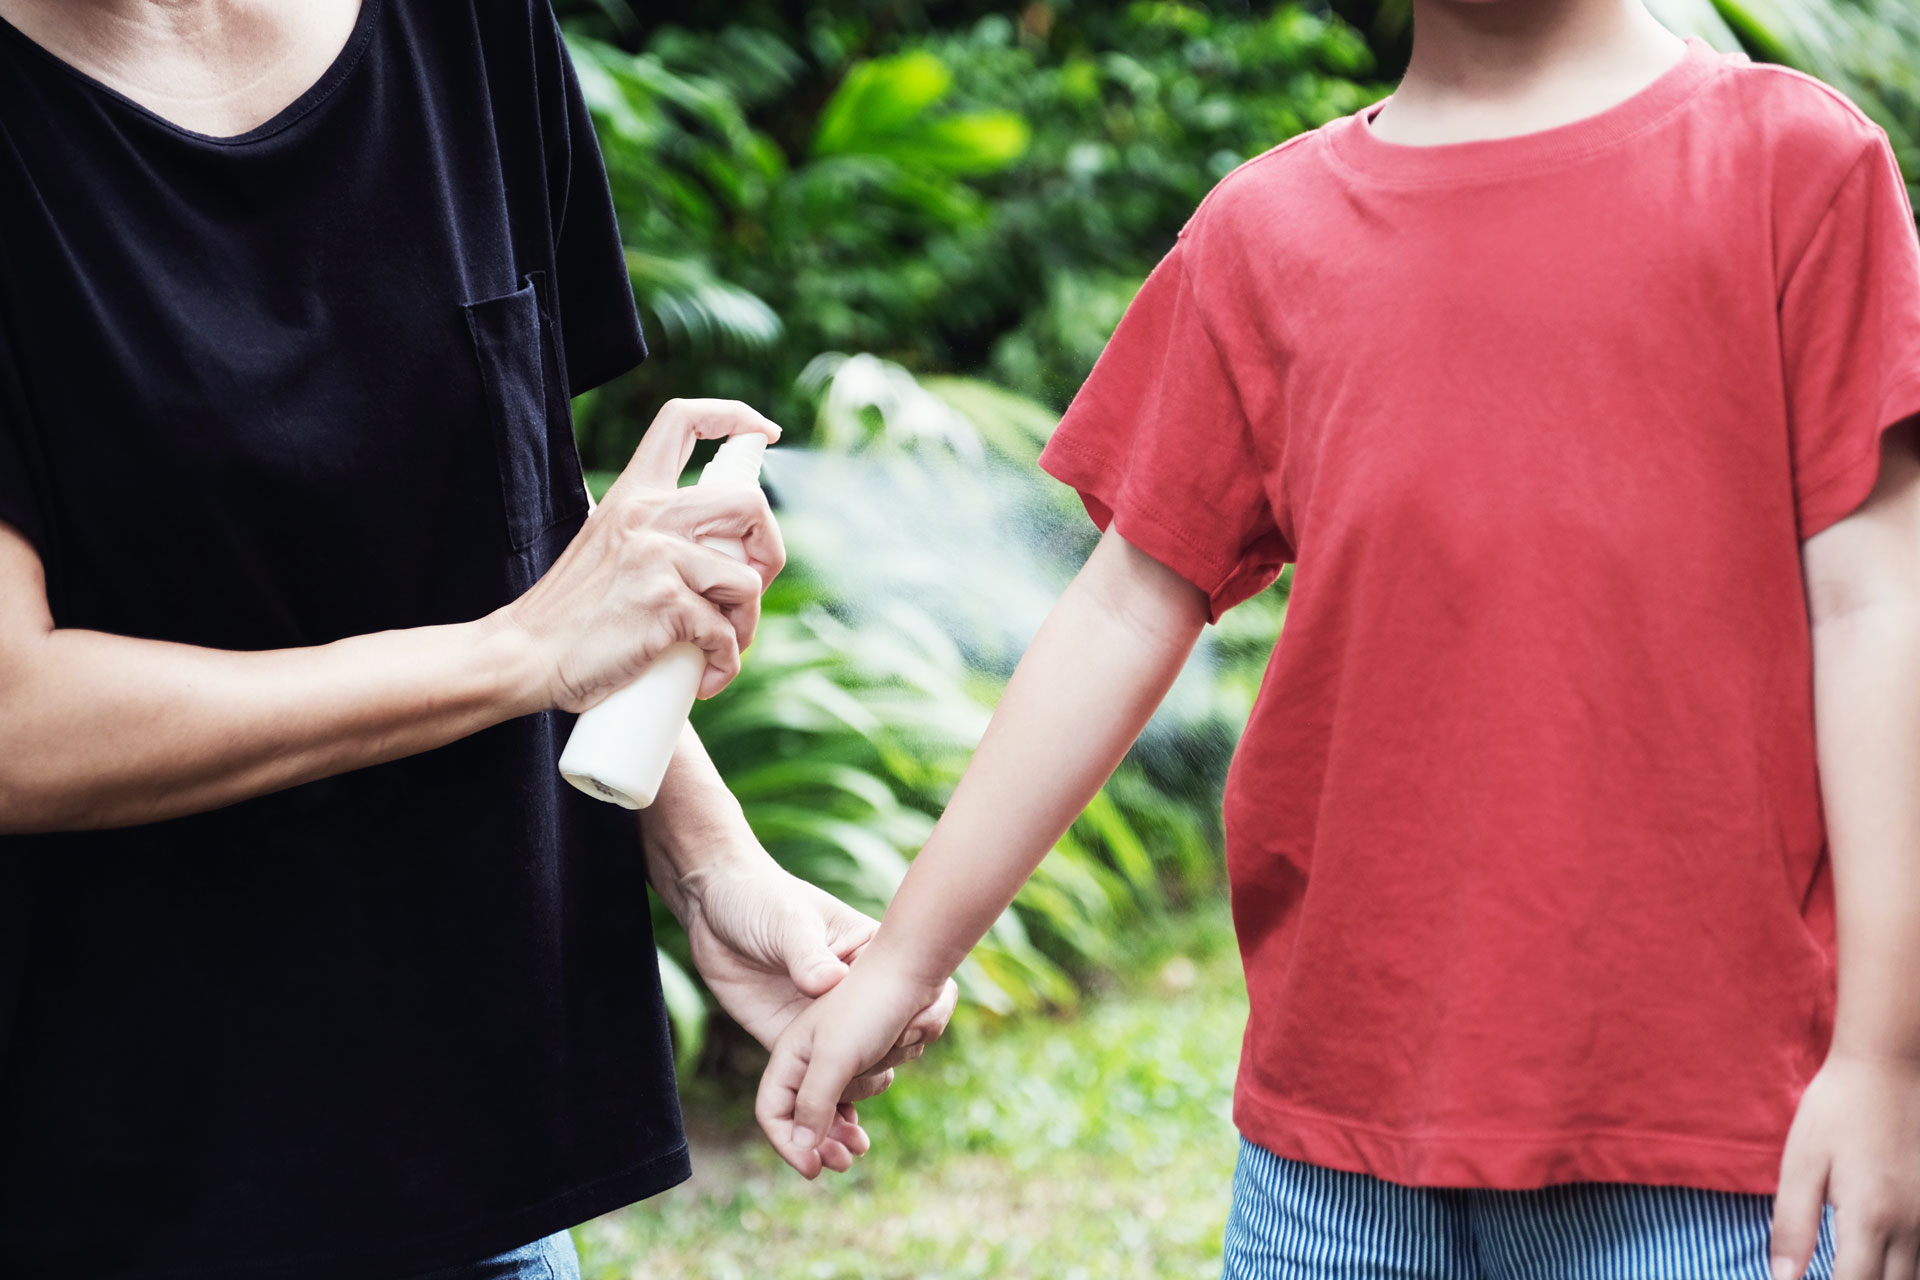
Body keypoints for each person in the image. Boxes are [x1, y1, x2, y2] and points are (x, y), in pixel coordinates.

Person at [756, 2, 1920, 1278]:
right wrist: (905, 957)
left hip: (1712, 1154)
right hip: (1333, 1165)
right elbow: (1123, 605)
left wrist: (1885, 1057)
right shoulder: (1267, 232)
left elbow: (1878, 608)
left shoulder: (1794, 167)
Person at [0, 1, 955, 1278]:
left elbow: (520, 515)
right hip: (102, 1181)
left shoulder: (467, 25)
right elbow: (16, 716)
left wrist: (716, 870)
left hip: (468, 1170)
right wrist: (522, 651)